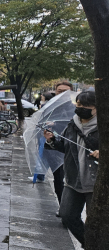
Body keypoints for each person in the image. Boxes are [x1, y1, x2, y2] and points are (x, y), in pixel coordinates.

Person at [44, 91, 97, 247]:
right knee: (67, 215)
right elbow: (66, 147)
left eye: (84, 105)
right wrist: (52, 140)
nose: (79, 108)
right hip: (74, 179)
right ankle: (89, 244)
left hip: (95, 182)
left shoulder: (103, 127)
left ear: (96, 107)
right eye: (78, 104)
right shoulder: (72, 124)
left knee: (95, 222)